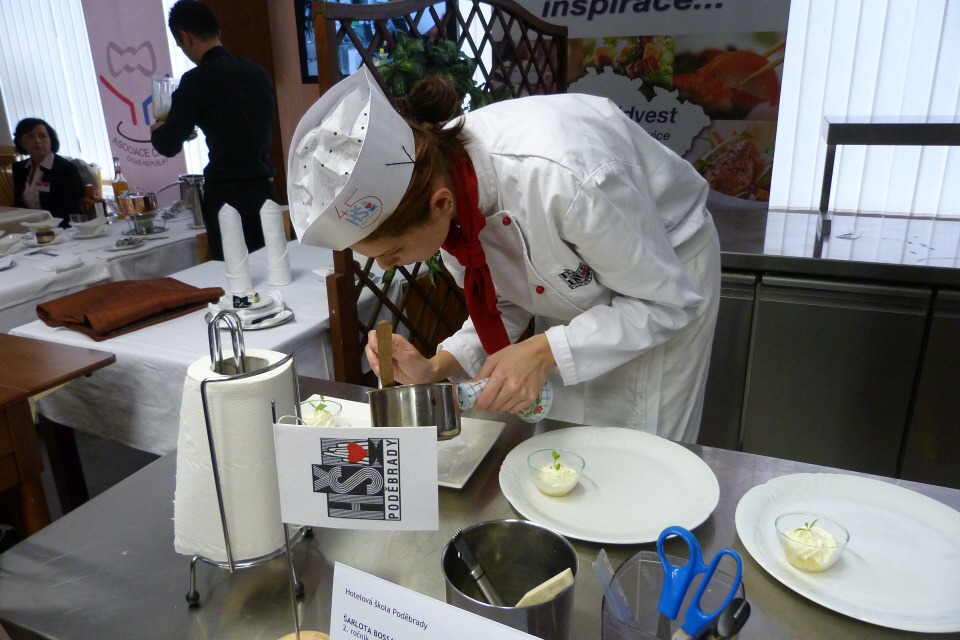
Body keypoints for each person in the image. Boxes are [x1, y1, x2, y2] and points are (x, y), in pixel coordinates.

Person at [288, 67, 721, 443]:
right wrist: (435, 367)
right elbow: (506, 301)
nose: (387, 266)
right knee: (569, 435)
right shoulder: (450, 202)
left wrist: (543, 351)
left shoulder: (564, 179)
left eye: (393, 252)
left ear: (440, 203)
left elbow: (664, 303)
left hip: (663, 276)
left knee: (642, 444)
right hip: (576, 285)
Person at [150, 0, 277, 261]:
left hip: (227, 198)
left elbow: (169, 143)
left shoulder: (196, 81)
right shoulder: (258, 73)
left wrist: (158, 131)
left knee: (236, 274)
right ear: (218, 31)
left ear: (185, 37)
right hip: (265, 192)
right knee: (273, 265)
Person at [12, 118, 84, 226]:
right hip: (28, 228)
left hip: (61, 227)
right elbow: (19, 205)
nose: (37, 140)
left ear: (51, 140)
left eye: (43, 136)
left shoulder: (66, 168)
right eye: (30, 136)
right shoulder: (19, 168)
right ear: (21, 142)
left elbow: (73, 209)